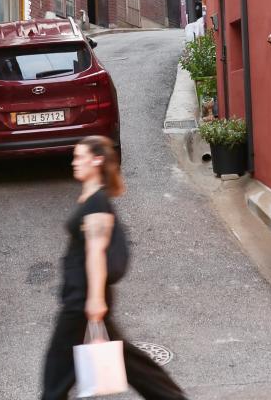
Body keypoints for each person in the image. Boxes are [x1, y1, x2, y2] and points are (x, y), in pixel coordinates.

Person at [41, 135, 189, 400]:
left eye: (80, 157)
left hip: (82, 301)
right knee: (130, 362)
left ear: (97, 160)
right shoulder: (90, 198)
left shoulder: (97, 202)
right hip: (81, 298)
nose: (74, 162)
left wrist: (95, 300)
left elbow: (96, 250)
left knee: (55, 374)